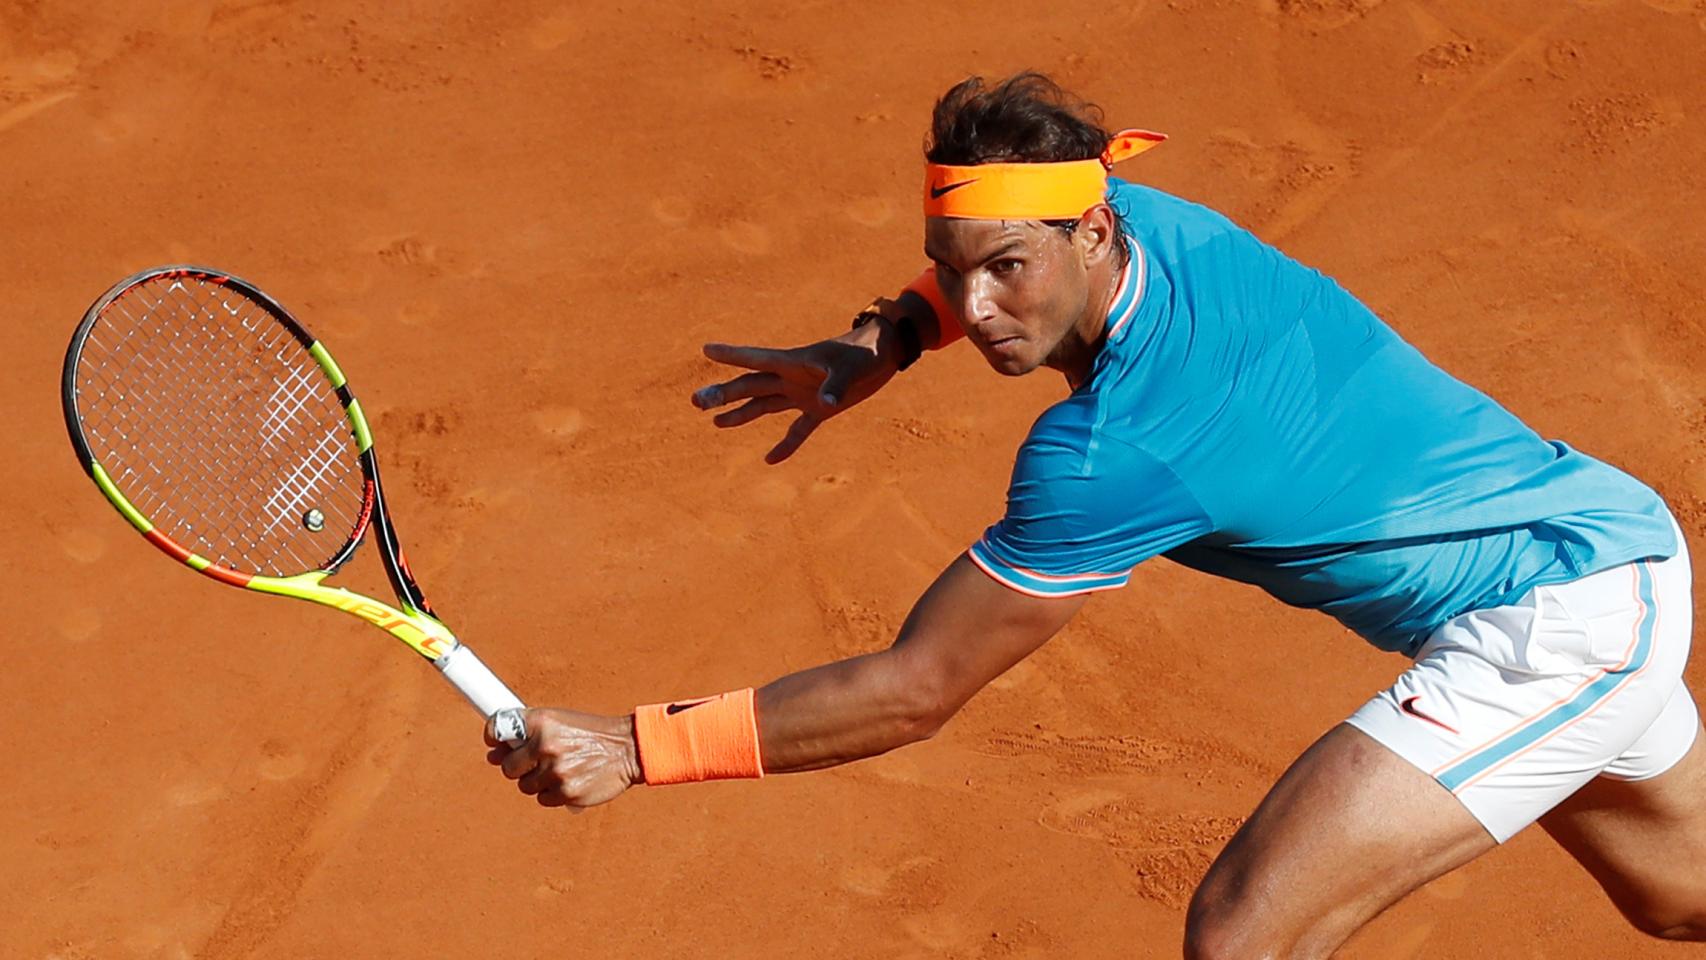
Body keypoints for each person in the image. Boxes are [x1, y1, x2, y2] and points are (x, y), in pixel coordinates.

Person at [485, 73, 1706, 956]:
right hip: (1611, 542)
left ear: (1090, 230)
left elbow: (915, 689)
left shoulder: (1113, 454)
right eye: (949, 264)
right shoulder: (1157, 224)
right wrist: (881, 341)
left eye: (1005, 268)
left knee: (1243, 938)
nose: (978, 302)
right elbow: (976, 251)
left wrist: (638, 745)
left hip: (1551, 625)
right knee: (1676, 900)